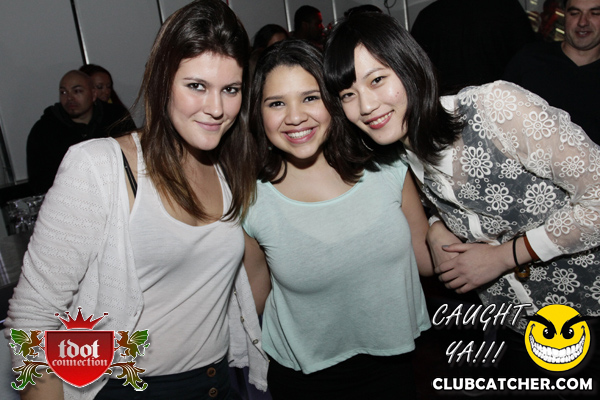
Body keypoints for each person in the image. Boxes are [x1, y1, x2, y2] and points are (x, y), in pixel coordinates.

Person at [324, 11, 600, 390]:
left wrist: (504, 257)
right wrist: (435, 226)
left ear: (409, 67)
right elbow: (465, 208)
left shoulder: (494, 108)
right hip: (517, 328)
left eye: (377, 80)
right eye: (348, 94)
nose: (366, 105)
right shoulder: (403, 151)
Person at [6, 1, 268, 399]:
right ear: (162, 82)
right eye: (196, 86)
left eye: (230, 89)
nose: (216, 108)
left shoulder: (228, 167)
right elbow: (31, 320)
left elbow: (245, 284)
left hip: (218, 384)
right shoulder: (100, 166)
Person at [243, 39, 433, 400]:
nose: (295, 116)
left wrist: (445, 227)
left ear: (333, 102)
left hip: (394, 365)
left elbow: (427, 258)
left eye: (310, 97)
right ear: (258, 113)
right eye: (277, 103)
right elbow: (254, 301)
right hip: (305, 379)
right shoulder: (251, 202)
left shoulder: (387, 167)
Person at [504, 0, 600, 144]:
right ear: (564, 15)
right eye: (574, 13)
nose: (582, 22)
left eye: (595, 13)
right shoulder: (530, 60)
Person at [26, 70, 136, 194]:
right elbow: (40, 183)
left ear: (93, 94)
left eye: (77, 91)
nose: (69, 98)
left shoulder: (116, 118)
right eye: (63, 92)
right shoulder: (44, 130)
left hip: (119, 192)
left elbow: (135, 157)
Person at [410, 0, 535, 94]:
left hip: (446, 111)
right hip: (501, 106)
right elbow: (530, 63)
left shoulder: (428, 16)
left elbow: (415, 73)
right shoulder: (508, 8)